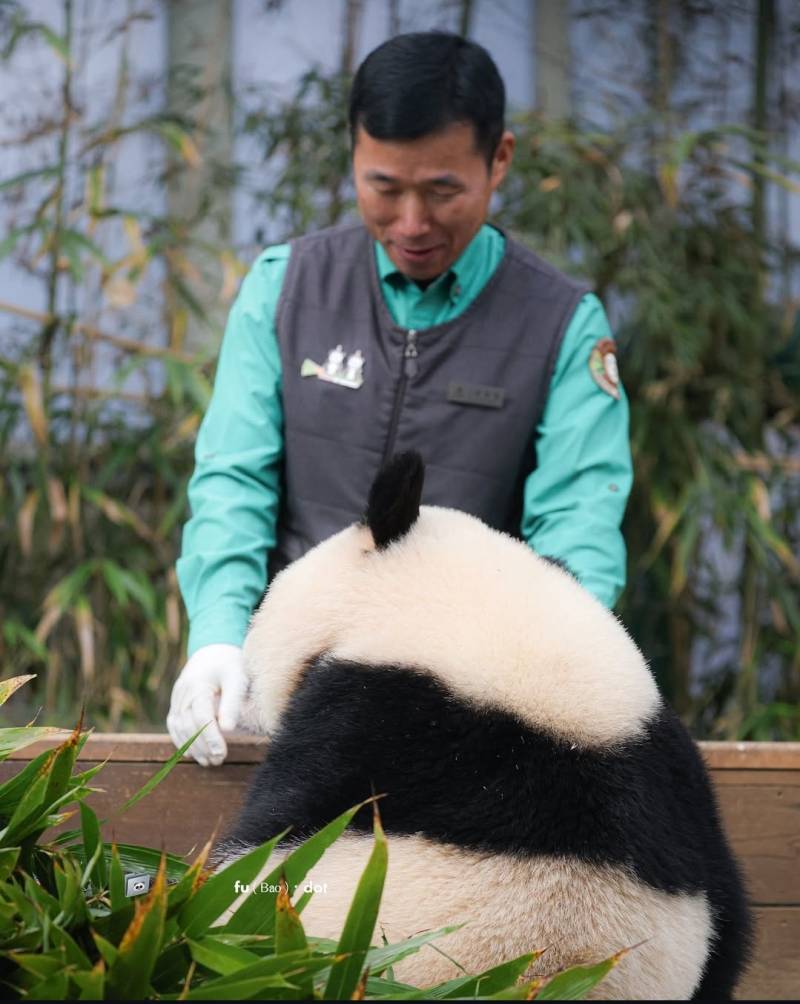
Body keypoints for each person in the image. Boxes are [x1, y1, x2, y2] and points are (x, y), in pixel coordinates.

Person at [167, 32, 633, 766]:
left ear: (499, 160)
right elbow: (234, 481)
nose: (411, 224)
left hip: (468, 710)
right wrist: (219, 638)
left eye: (442, 190)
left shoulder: (563, 326)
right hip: (287, 696)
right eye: (384, 187)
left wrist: (545, 690)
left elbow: (577, 534)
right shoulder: (284, 289)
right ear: (354, 154)